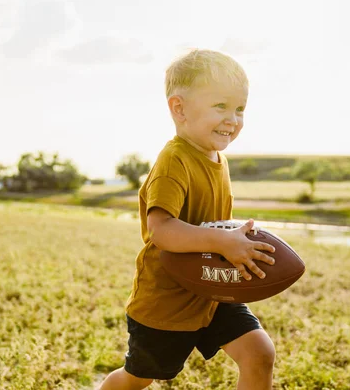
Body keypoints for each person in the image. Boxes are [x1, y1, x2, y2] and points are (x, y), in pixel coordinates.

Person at [99, 49, 277, 390]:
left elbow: (210, 224)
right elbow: (162, 231)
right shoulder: (173, 161)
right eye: (220, 106)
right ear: (179, 108)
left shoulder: (218, 160)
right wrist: (222, 241)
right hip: (167, 301)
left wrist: (235, 238)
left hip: (211, 286)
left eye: (240, 109)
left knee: (259, 353)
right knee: (138, 378)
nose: (233, 119)